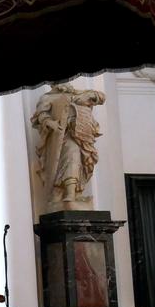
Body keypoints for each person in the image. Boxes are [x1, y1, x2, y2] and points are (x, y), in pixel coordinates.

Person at [31, 83, 106, 211]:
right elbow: (40, 115)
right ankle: (68, 194)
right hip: (62, 136)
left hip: (81, 136)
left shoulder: (79, 93)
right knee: (70, 159)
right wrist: (50, 122)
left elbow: (101, 97)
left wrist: (89, 95)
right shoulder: (47, 98)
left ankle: (72, 194)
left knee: (77, 161)